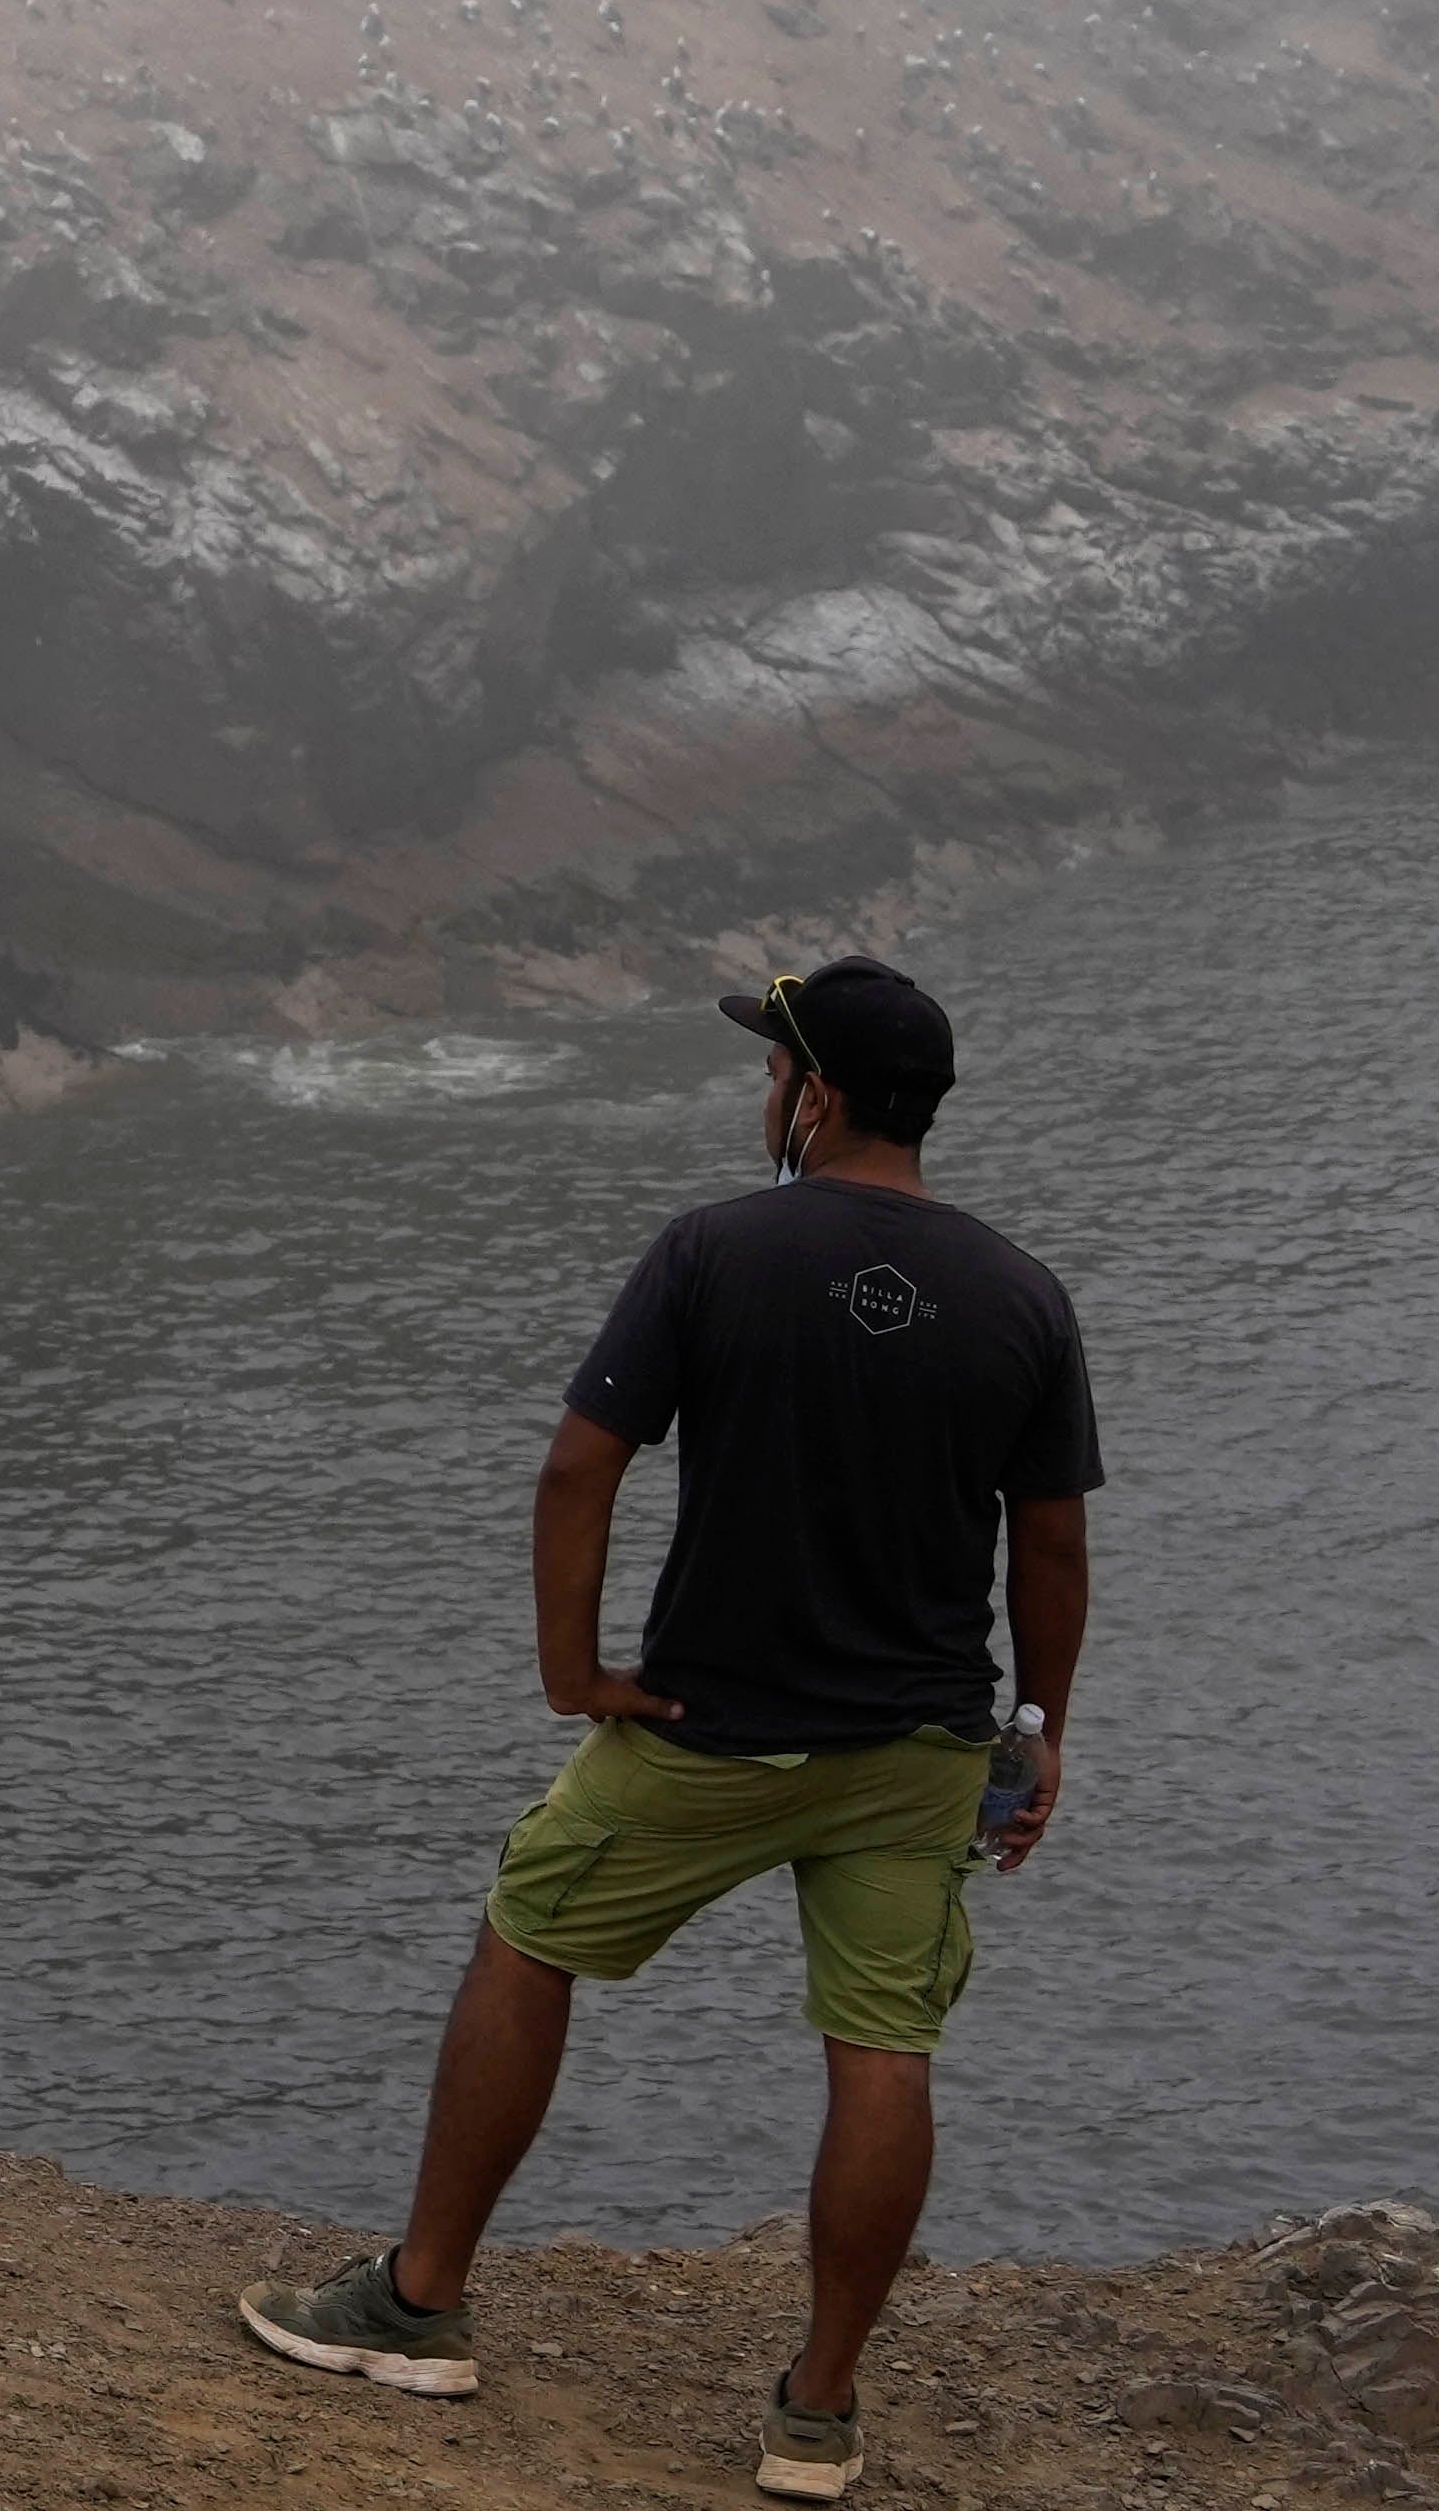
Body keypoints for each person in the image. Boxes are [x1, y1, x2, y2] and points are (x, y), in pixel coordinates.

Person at [239, 959, 1099, 2495]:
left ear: (816, 1097)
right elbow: (1049, 1549)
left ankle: (419, 2303)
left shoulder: (713, 1251)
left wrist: (574, 1677)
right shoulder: (1023, 1294)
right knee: (883, 2049)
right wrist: (1035, 1732)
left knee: (530, 1932)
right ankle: (817, 2416)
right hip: (914, 1754)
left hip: (705, 1731)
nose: (761, 1091)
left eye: (773, 1068)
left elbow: (580, 1469)